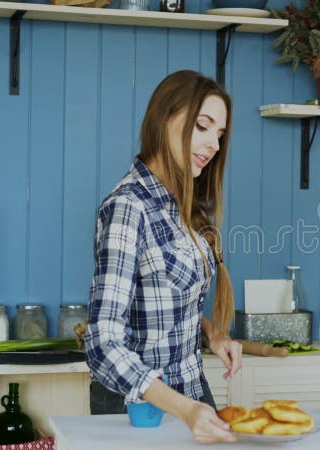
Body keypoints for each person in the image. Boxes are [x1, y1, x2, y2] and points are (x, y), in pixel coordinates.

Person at [84, 70, 242, 444]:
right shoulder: (128, 206)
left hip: (192, 391)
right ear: (165, 118)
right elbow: (102, 343)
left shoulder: (182, 202)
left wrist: (212, 335)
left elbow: (164, 300)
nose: (214, 145)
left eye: (219, 135)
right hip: (141, 408)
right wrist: (183, 409)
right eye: (203, 127)